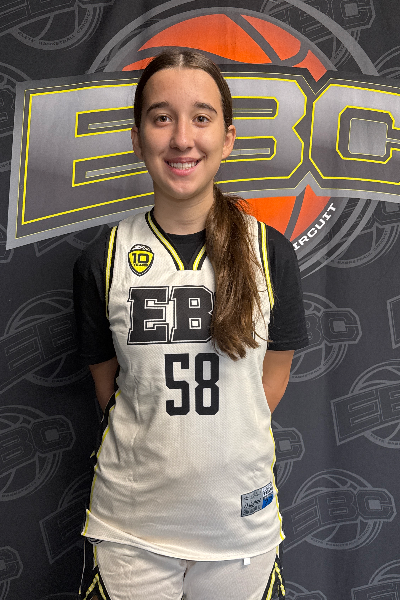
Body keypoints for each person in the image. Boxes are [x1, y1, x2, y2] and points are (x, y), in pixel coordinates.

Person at [74, 49, 308, 600]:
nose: (182, 138)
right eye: (162, 118)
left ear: (227, 138)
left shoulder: (269, 252)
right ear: (138, 139)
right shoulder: (102, 260)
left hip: (240, 530)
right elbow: (112, 388)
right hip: (130, 532)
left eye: (201, 118)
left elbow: (271, 379)